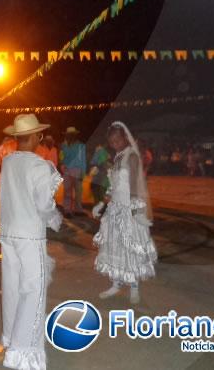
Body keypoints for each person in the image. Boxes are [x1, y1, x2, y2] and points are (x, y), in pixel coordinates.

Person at [0, 114, 62, 370]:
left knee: (13, 287)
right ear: (35, 136)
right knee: (34, 292)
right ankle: (22, 354)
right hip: (29, 235)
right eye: (40, 134)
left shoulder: (8, 162)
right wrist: (54, 218)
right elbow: (44, 204)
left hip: (9, 233)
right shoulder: (39, 166)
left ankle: (11, 338)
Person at [91, 122, 157, 304]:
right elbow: (113, 186)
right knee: (114, 246)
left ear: (125, 138)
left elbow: (135, 185)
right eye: (112, 142)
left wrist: (136, 212)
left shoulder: (132, 156)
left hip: (130, 208)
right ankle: (116, 283)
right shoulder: (118, 156)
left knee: (130, 248)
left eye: (118, 140)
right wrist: (101, 204)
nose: (115, 144)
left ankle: (134, 287)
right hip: (115, 209)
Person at [59, 126, 86, 216]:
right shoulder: (63, 145)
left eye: (72, 135)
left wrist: (83, 172)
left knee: (78, 192)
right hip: (67, 170)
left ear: (75, 135)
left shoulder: (81, 146)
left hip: (77, 170)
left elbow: (83, 160)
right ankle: (67, 210)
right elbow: (61, 157)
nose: (70, 136)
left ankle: (78, 210)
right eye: (68, 135)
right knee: (67, 192)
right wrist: (61, 165)